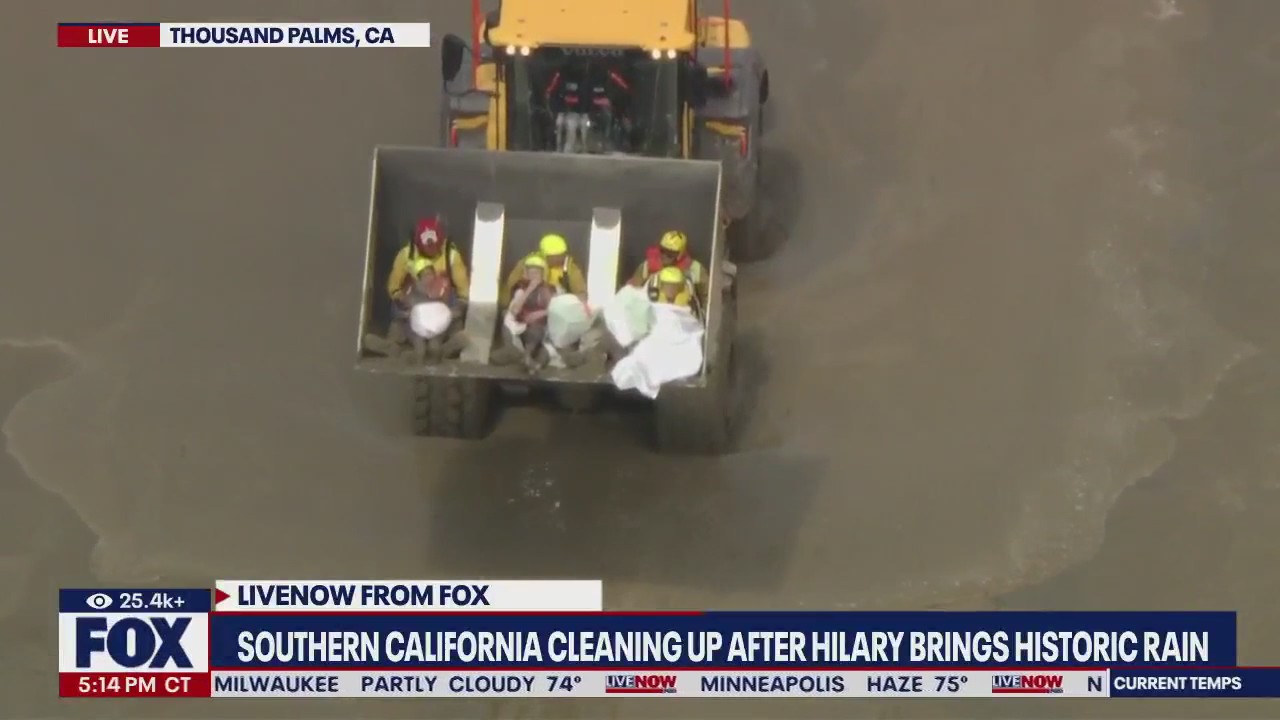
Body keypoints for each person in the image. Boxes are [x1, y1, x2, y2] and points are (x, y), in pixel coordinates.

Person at [364, 217, 471, 358]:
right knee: (398, 323)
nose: (431, 250)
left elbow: (463, 290)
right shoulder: (406, 255)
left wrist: (454, 309)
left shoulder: (451, 256)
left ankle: (444, 350)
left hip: (443, 309)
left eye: (434, 246)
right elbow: (394, 286)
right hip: (413, 311)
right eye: (427, 247)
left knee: (457, 329)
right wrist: (404, 302)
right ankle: (393, 347)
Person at [494, 254, 559, 371]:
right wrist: (529, 289)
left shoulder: (551, 290)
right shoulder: (521, 289)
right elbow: (514, 310)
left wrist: (541, 313)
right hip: (522, 326)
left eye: (536, 273)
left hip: (542, 328)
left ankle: (531, 360)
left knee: (542, 337)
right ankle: (519, 355)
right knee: (507, 317)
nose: (533, 276)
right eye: (531, 273)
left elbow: (557, 309)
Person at [501, 233, 586, 306]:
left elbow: (581, 294)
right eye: (554, 256)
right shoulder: (528, 263)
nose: (559, 259)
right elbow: (509, 288)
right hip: (528, 306)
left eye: (562, 255)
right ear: (545, 255)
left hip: (557, 308)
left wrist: (566, 299)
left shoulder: (569, 267)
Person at [629, 230, 708, 302]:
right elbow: (631, 290)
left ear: (680, 254)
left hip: (684, 308)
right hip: (654, 307)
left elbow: (707, 295)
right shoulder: (648, 265)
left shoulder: (695, 268)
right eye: (662, 250)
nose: (664, 256)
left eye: (670, 253)